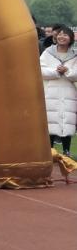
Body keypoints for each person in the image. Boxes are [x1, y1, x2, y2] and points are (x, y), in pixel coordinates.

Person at [41, 24, 76, 156]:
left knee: (67, 120)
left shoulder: (74, 55)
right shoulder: (47, 53)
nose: (62, 37)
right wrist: (56, 72)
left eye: (65, 35)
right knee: (50, 119)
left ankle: (66, 150)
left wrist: (67, 71)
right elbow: (40, 70)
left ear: (70, 38)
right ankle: (49, 150)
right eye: (60, 34)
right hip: (51, 91)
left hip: (68, 92)